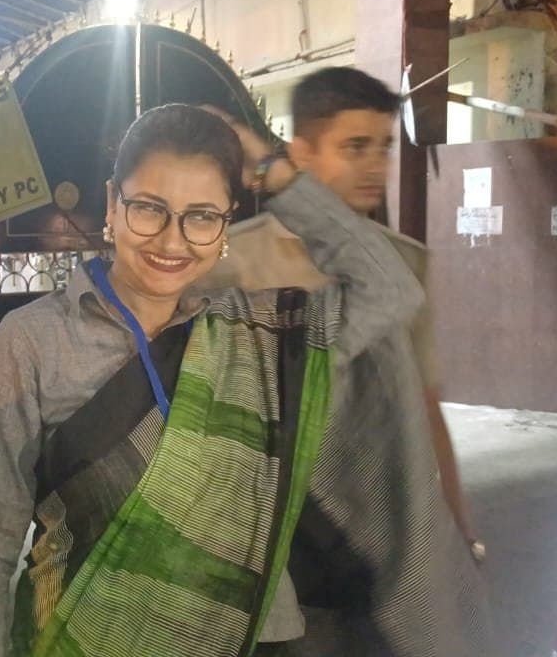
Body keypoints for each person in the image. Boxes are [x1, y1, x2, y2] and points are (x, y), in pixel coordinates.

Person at [0, 104, 489, 656]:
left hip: (252, 639)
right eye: (149, 209)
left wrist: (275, 171)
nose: (173, 242)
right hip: (88, 635)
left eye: (202, 216)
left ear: (228, 221)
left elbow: (391, 288)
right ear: (112, 203)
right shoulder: (33, 340)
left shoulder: (259, 333)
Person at [204, 66, 481, 556]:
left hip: (377, 532)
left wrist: (458, 529)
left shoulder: (406, 262)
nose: (375, 165)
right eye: (355, 147)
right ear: (300, 154)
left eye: (384, 147)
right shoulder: (236, 263)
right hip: (267, 536)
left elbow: (426, 406)